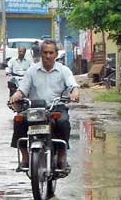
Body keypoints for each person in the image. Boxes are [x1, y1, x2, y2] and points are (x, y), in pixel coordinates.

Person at [10, 40, 80, 170]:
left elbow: (73, 86)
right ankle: (25, 157)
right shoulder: (32, 70)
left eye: (51, 53)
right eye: (45, 52)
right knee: (19, 121)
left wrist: (74, 93)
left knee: (63, 122)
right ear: (41, 54)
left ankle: (62, 155)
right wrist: (15, 96)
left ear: (56, 54)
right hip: (35, 108)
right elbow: (22, 89)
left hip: (56, 107)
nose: (48, 56)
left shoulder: (63, 70)